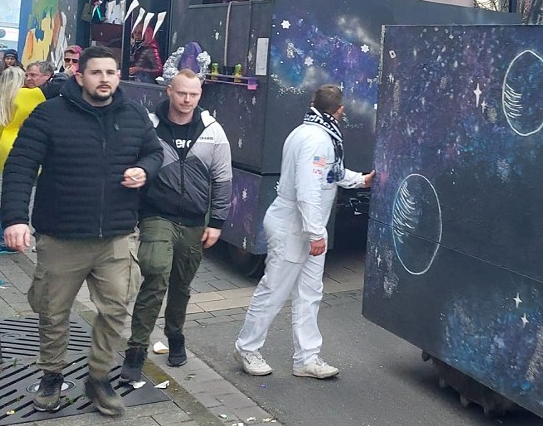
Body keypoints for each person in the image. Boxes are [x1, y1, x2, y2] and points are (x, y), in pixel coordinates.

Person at [0, 46, 163, 416]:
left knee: (116, 308)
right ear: (80, 76)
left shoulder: (134, 115)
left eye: (111, 72)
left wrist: (145, 170)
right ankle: (52, 375)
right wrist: (15, 218)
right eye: (96, 72)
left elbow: (154, 153)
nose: (104, 79)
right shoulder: (49, 114)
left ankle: (99, 377)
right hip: (62, 236)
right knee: (53, 311)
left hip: (116, 235)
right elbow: (20, 165)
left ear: (118, 76)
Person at [234, 85, 374, 379]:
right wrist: (315, 233)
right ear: (339, 110)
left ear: (313, 103)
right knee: (276, 289)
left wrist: (361, 181)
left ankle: (306, 358)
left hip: (301, 225)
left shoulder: (307, 133)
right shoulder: (318, 140)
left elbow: (330, 174)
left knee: (309, 292)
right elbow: (308, 188)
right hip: (297, 227)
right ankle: (248, 348)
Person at [121, 70, 232, 381]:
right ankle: (136, 349)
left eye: (193, 95)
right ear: (169, 91)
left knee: (181, 285)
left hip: (195, 220)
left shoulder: (212, 130)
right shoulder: (150, 125)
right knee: (156, 274)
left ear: (200, 95)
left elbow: (223, 179)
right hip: (157, 215)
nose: (187, 100)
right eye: (182, 93)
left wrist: (217, 222)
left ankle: (175, 335)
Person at [0, 65, 46, 253]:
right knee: (20, 196)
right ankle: (2, 240)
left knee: (10, 193)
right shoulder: (28, 95)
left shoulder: (2, 98)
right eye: (25, 76)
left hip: (3, 147)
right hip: (22, 146)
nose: (29, 79)